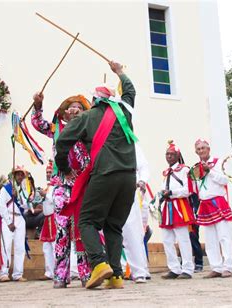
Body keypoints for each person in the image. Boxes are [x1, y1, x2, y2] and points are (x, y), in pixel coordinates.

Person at [55, 60, 136, 289]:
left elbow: (62, 142)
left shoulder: (87, 117)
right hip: (129, 176)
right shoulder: (125, 111)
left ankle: (99, 264)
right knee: (114, 226)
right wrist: (120, 72)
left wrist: (64, 168)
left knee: (87, 221)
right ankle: (116, 276)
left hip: (105, 174)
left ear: (93, 102)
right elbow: (130, 91)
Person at [31, 89, 91, 288]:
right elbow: (37, 123)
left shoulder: (88, 129)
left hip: (83, 185)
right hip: (61, 186)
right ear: (64, 113)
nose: (75, 110)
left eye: (79, 108)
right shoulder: (56, 129)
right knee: (62, 230)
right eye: (71, 107)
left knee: (83, 229)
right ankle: (60, 275)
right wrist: (38, 106)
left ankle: (85, 274)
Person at [192, 139, 232, 278]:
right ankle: (216, 267)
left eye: (203, 148)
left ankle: (228, 266)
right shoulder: (197, 167)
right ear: (196, 151)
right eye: (198, 149)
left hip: (218, 201)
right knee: (210, 238)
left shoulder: (218, 162)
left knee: (224, 236)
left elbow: (224, 180)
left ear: (209, 149)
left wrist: (209, 171)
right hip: (205, 203)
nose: (201, 151)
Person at [158, 141, 195, 280]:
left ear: (178, 155)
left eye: (172, 154)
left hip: (179, 206)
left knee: (183, 238)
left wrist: (172, 192)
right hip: (167, 207)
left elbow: (188, 190)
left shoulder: (185, 170)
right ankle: (174, 268)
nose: (169, 156)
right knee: (167, 239)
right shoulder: (166, 172)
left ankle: (187, 269)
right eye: (167, 154)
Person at [122, 144, 151, 283]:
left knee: (133, 229)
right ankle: (118, 269)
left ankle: (140, 270)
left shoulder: (131, 144)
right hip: (108, 188)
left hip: (128, 188)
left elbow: (143, 166)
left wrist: (141, 181)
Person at [0, 167, 29, 282]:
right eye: (18, 175)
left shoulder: (24, 189)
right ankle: (4, 273)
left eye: (22, 175)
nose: (20, 177)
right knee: (6, 246)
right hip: (9, 218)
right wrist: (8, 221)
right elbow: (1, 206)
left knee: (20, 247)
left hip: (20, 218)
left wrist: (19, 197)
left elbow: (25, 206)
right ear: (14, 176)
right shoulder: (5, 189)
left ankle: (18, 274)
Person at [39, 162, 56, 280]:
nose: (48, 174)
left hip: (55, 218)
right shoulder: (46, 187)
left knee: (56, 246)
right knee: (46, 247)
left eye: (50, 172)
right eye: (47, 173)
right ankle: (49, 272)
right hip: (46, 218)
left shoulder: (57, 186)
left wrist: (46, 195)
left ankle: (58, 271)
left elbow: (57, 200)